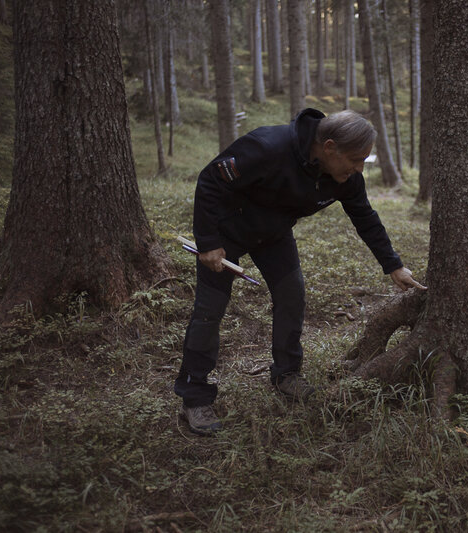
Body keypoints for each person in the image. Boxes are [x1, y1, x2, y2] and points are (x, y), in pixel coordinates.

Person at [176, 108, 425, 435]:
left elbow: (364, 216)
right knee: (210, 310)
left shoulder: (344, 175)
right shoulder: (267, 147)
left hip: (273, 234)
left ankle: (286, 374)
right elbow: (211, 180)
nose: (358, 169)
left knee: (291, 295)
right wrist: (208, 241)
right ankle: (194, 396)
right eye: (355, 159)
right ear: (329, 148)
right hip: (226, 231)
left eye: (364, 161)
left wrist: (393, 265)